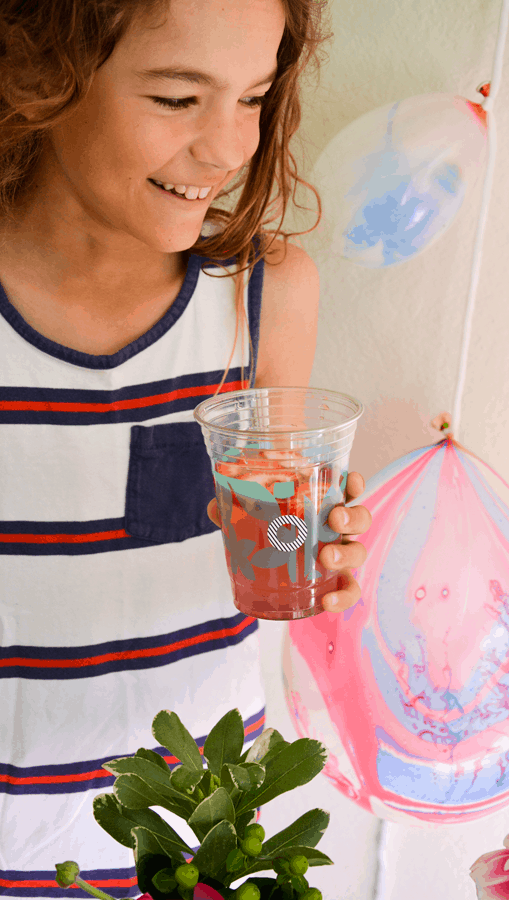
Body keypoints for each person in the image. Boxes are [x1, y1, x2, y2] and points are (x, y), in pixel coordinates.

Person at [0, 0, 372, 896]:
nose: (228, 147)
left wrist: (321, 552)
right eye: (176, 98)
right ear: (37, 79)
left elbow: (279, 545)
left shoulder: (265, 297)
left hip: (192, 847)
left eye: (252, 96)